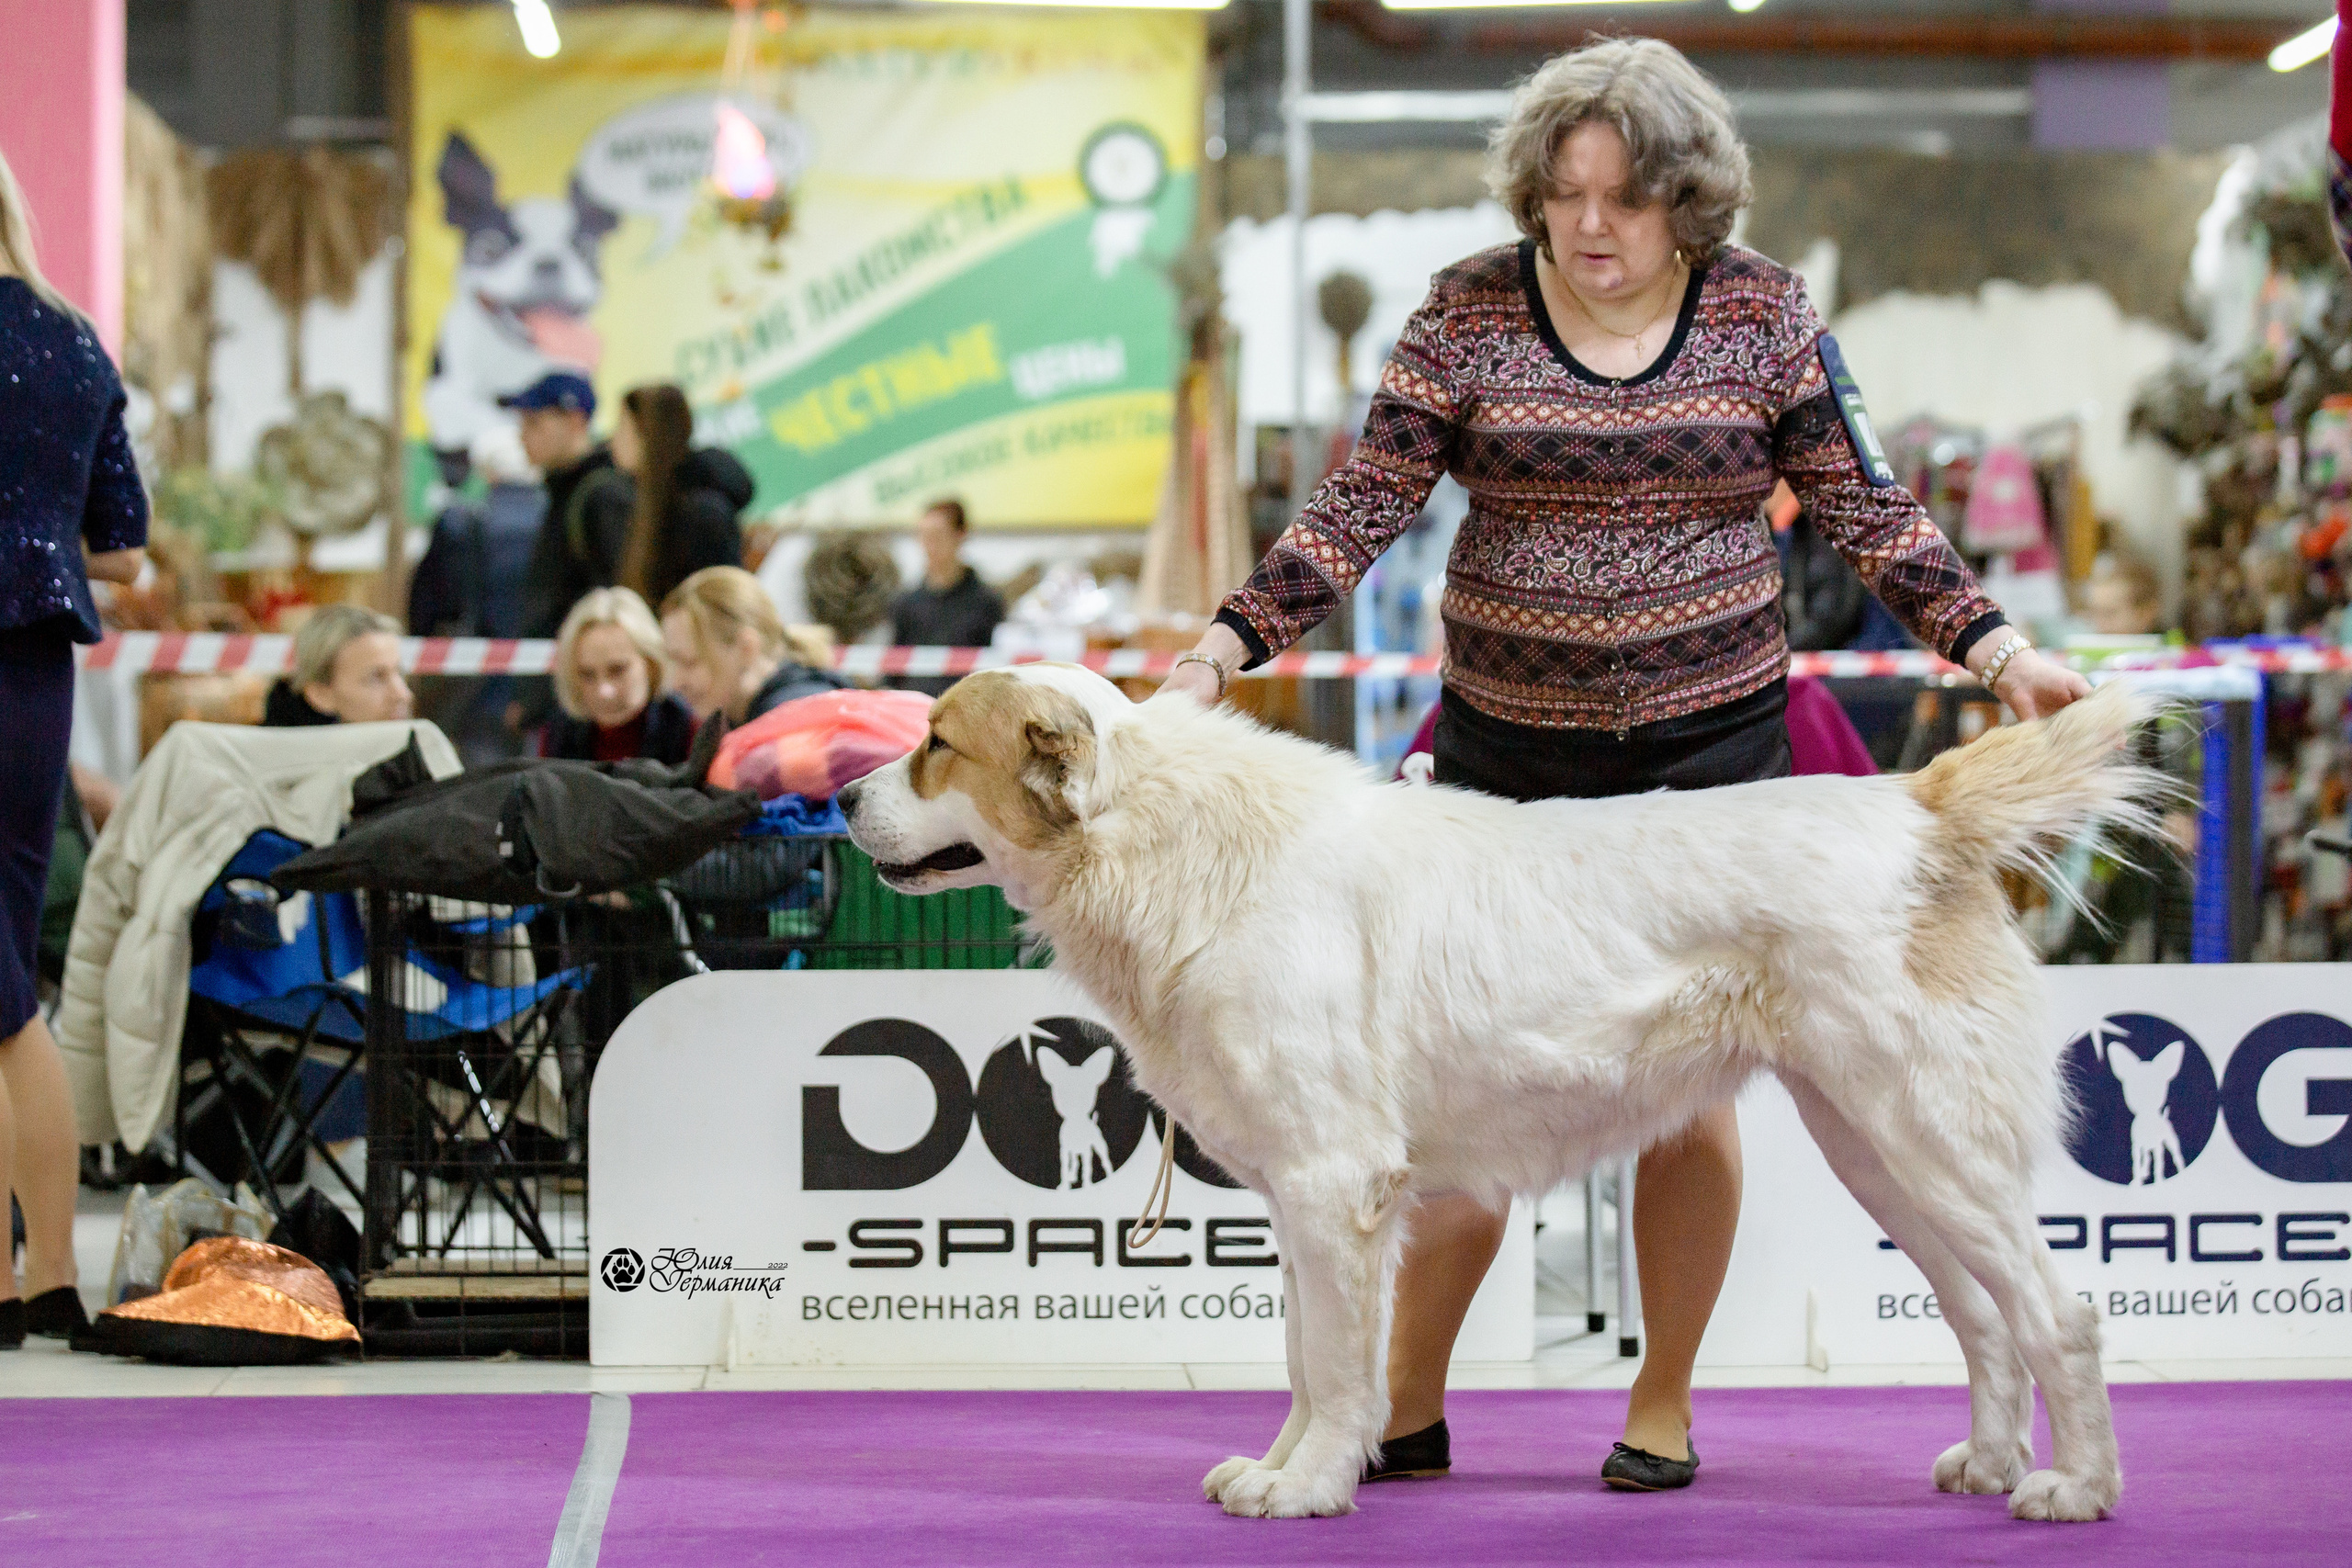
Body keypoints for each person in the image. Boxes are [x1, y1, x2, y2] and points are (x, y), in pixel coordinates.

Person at [1159, 36, 2086, 1492]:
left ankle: (1662, 1398)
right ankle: (1395, 1401)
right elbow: (1360, 502)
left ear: (1689, 203)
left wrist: (1991, 647)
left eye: (1626, 199)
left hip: (1710, 756)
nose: (1590, 226)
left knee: (1687, 1099)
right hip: (1500, 762)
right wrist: (1228, 641)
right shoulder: (1465, 312)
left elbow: (1868, 502)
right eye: (1564, 195)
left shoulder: (1766, 311)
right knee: (1439, 1101)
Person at [0, 147, 148, 1348]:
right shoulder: (72, 340)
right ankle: (46, 1267)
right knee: (6, 969)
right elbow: (123, 548)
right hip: (33, 673)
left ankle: (20, 1275)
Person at [511, 371, 636, 640]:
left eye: (533, 423)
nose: (521, 436)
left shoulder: (601, 496)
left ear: (575, 421)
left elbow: (619, 595)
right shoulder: (563, 491)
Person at [613, 383, 750, 612]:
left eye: (622, 428)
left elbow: (721, 605)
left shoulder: (702, 512)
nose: (613, 440)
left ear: (647, 433)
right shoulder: (649, 502)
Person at [660, 566, 842, 726]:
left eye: (690, 662)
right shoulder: (742, 717)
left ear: (746, 648)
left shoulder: (794, 723)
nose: (676, 683)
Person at [541, 587, 697, 765]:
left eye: (618, 670)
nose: (604, 691)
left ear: (651, 663)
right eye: (587, 675)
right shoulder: (557, 734)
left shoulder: (687, 728)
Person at [888, 497, 1005, 697]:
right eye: (924, 536)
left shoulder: (986, 602)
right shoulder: (906, 603)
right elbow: (893, 668)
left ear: (960, 535)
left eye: (938, 536)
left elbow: (995, 667)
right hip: (915, 706)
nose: (930, 545)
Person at [263, 605, 413, 727]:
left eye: (400, 673)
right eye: (376, 677)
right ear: (321, 694)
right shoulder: (273, 760)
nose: (403, 694)